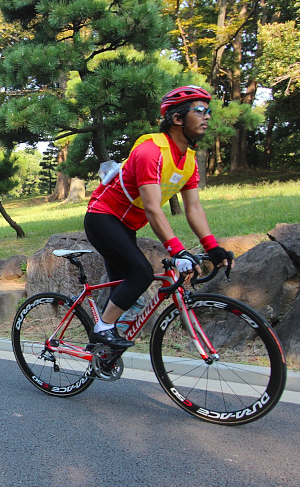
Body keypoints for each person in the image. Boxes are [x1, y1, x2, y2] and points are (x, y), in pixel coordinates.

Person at [84, 85, 230, 348]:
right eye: (199, 111)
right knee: (140, 274)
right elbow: (152, 207)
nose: (207, 116)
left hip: (127, 224)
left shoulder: (189, 161)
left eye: (208, 111)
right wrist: (177, 250)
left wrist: (213, 246)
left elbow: (193, 208)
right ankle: (102, 330)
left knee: (124, 285)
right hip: (103, 216)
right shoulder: (151, 151)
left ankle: (99, 351)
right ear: (177, 119)